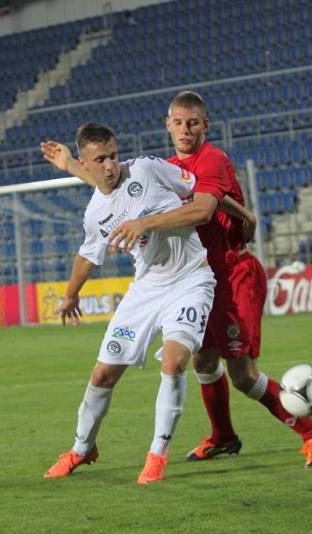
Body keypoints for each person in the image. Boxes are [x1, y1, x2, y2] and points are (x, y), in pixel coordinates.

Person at [41, 91, 312, 469]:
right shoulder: (163, 166)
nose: (185, 130)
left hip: (229, 274)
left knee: (243, 375)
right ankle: (224, 437)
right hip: (189, 279)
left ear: (205, 126)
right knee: (203, 364)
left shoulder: (210, 160)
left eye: (193, 123)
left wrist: (239, 215)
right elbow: (113, 186)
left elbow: (201, 208)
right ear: (167, 124)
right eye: (178, 123)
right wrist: (70, 165)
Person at [42, 123, 216, 484]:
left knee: (173, 360)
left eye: (113, 156)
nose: (110, 166)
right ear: (86, 164)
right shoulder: (95, 214)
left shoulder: (148, 168)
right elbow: (88, 255)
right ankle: (81, 448)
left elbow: (201, 196)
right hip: (146, 289)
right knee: (102, 374)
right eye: (100, 160)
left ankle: (157, 455)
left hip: (191, 279)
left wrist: (147, 222)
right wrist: (71, 294)